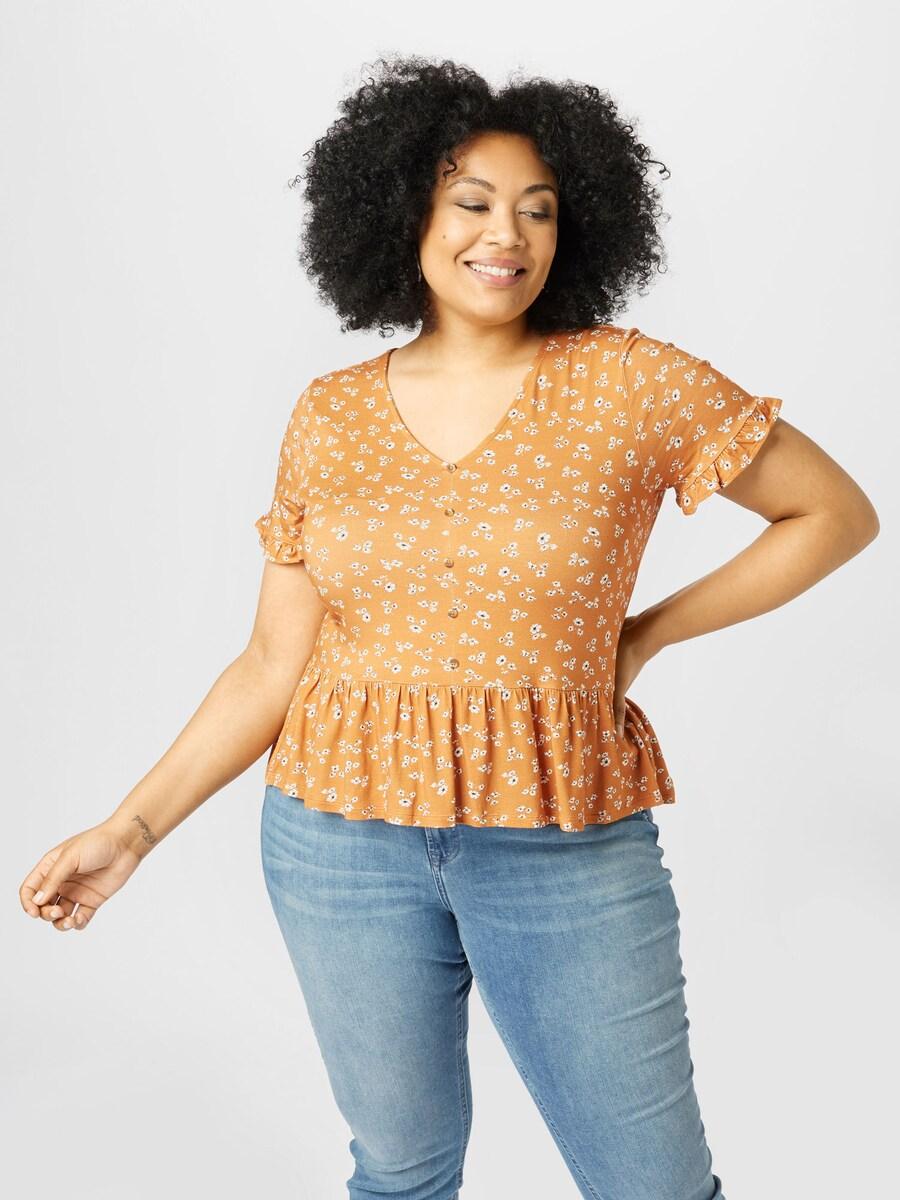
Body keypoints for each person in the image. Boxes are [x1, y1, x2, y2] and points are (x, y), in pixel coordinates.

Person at [20, 55, 879, 1200]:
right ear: (404, 215)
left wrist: (645, 634)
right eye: (472, 202)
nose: (505, 235)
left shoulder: (630, 384)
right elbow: (272, 662)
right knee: (401, 1174)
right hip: (337, 844)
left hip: (563, 837)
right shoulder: (331, 415)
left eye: (539, 209)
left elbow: (833, 515)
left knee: (654, 1187)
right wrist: (130, 831)